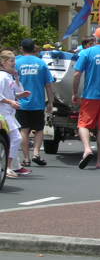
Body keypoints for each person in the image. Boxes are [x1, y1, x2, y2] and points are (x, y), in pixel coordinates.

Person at [72, 27, 100, 169]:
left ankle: (87, 149)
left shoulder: (86, 52)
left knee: (83, 124)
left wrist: (74, 93)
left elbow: (77, 74)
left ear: (95, 39)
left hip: (91, 94)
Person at [15, 39, 55, 167]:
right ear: (34, 49)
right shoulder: (41, 64)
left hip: (21, 102)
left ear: (22, 48)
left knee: (24, 130)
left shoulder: (16, 63)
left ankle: (26, 158)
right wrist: (50, 102)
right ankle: (36, 153)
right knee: (39, 129)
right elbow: (48, 85)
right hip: (38, 102)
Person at [0, 50, 32, 178]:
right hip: (3, 113)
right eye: (11, 61)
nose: (14, 63)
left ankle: (9, 165)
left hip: (8, 112)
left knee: (11, 139)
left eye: (14, 60)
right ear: (3, 62)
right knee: (16, 138)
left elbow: (13, 92)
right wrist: (10, 102)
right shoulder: (2, 77)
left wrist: (20, 95)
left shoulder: (9, 76)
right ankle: (8, 166)